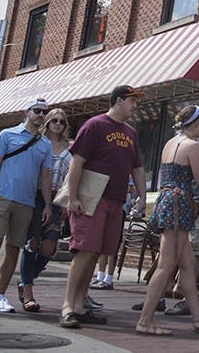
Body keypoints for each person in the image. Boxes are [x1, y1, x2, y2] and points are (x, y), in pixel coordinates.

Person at [59, 85, 147, 329]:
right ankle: (68, 305)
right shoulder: (95, 125)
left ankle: (80, 305)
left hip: (116, 202)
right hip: (91, 198)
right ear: (119, 101)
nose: (135, 105)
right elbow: (77, 162)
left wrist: (141, 196)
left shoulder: (130, 132)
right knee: (84, 251)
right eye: (132, 100)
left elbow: (137, 168)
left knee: (97, 252)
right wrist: (73, 197)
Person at [135, 105, 199, 335]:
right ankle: (145, 320)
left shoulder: (169, 143)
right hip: (178, 205)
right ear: (197, 123)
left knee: (186, 264)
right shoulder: (193, 146)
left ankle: (198, 317)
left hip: (167, 200)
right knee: (166, 265)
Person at [0, 98, 53, 315]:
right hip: (2, 197)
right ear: (27, 112)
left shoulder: (45, 145)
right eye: (37, 111)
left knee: (14, 247)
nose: (41, 115)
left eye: (44, 112)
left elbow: (44, 177)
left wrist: (48, 205)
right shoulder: (7, 135)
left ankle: (0, 295)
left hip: (26, 202)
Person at [161, 108, 199, 316]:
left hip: (195, 203)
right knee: (180, 256)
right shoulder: (190, 144)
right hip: (183, 203)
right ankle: (165, 299)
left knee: (186, 255)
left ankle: (179, 303)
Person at [17, 108, 72, 313]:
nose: (58, 124)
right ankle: (28, 292)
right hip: (36, 194)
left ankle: (26, 280)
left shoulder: (69, 147)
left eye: (62, 121)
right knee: (31, 243)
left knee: (49, 247)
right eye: (54, 120)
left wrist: (67, 201)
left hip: (58, 197)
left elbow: (72, 175)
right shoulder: (38, 143)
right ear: (47, 122)